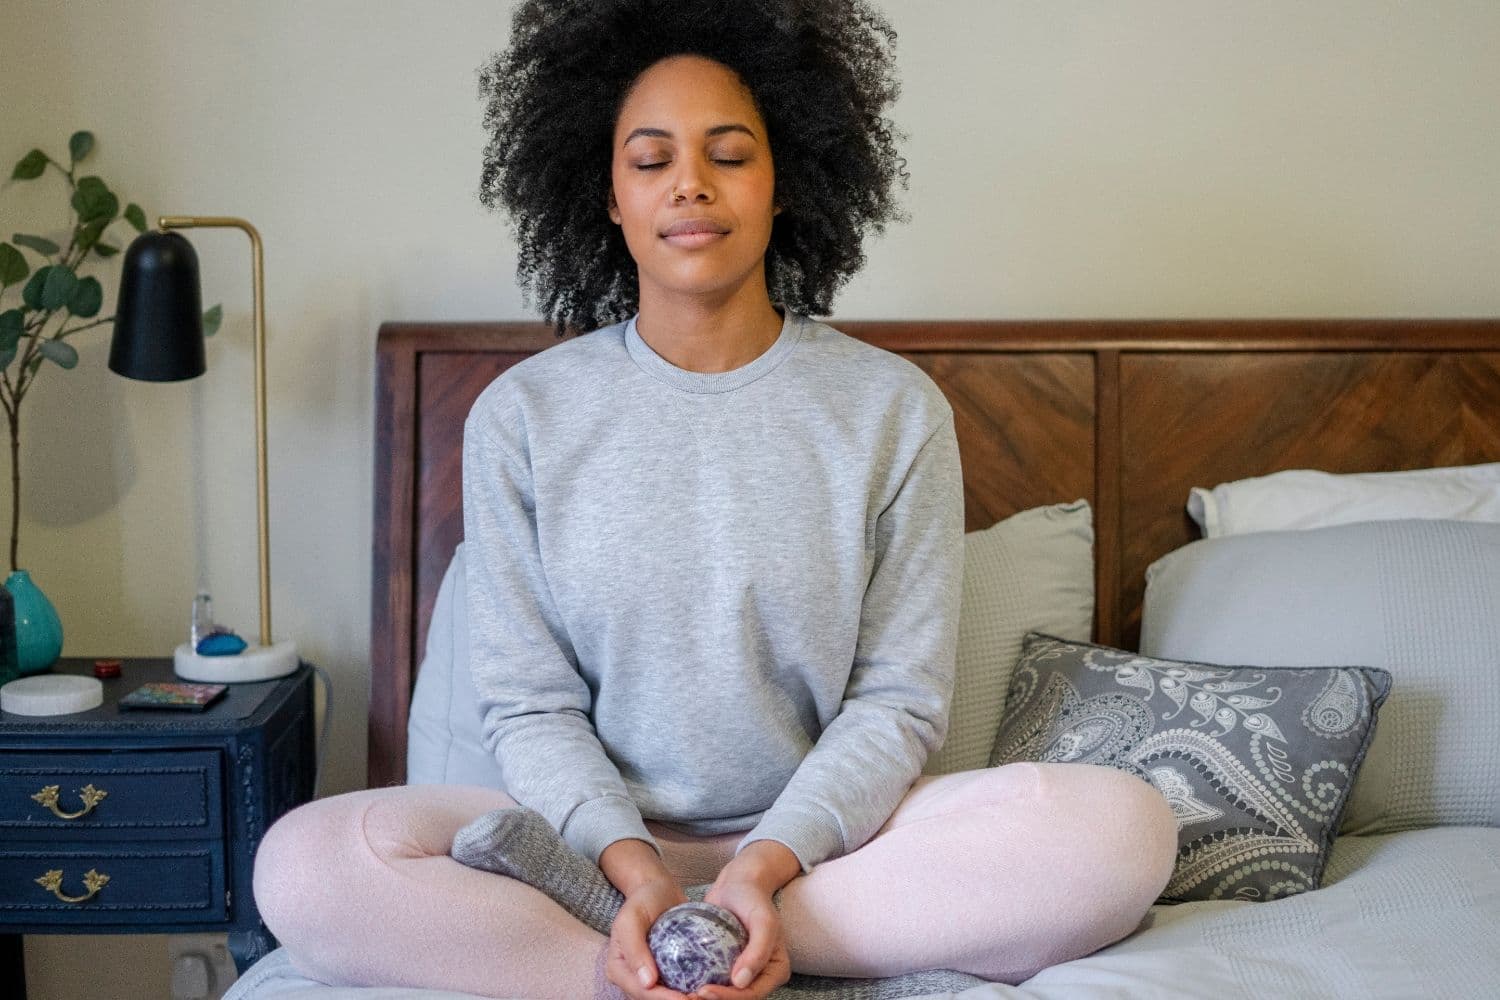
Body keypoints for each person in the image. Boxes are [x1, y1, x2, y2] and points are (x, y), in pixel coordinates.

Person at [250, 3, 1179, 999]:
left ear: (786, 181)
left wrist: (766, 864)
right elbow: (528, 704)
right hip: (583, 860)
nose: (689, 181)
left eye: (728, 154)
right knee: (303, 864)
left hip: (826, 853)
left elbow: (897, 704)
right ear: (607, 195)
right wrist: (632, 862)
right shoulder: (520, 418)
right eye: (651, 161)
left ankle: (739, 937)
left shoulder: (892, 410)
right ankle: (637, 952)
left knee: (1124, 831)